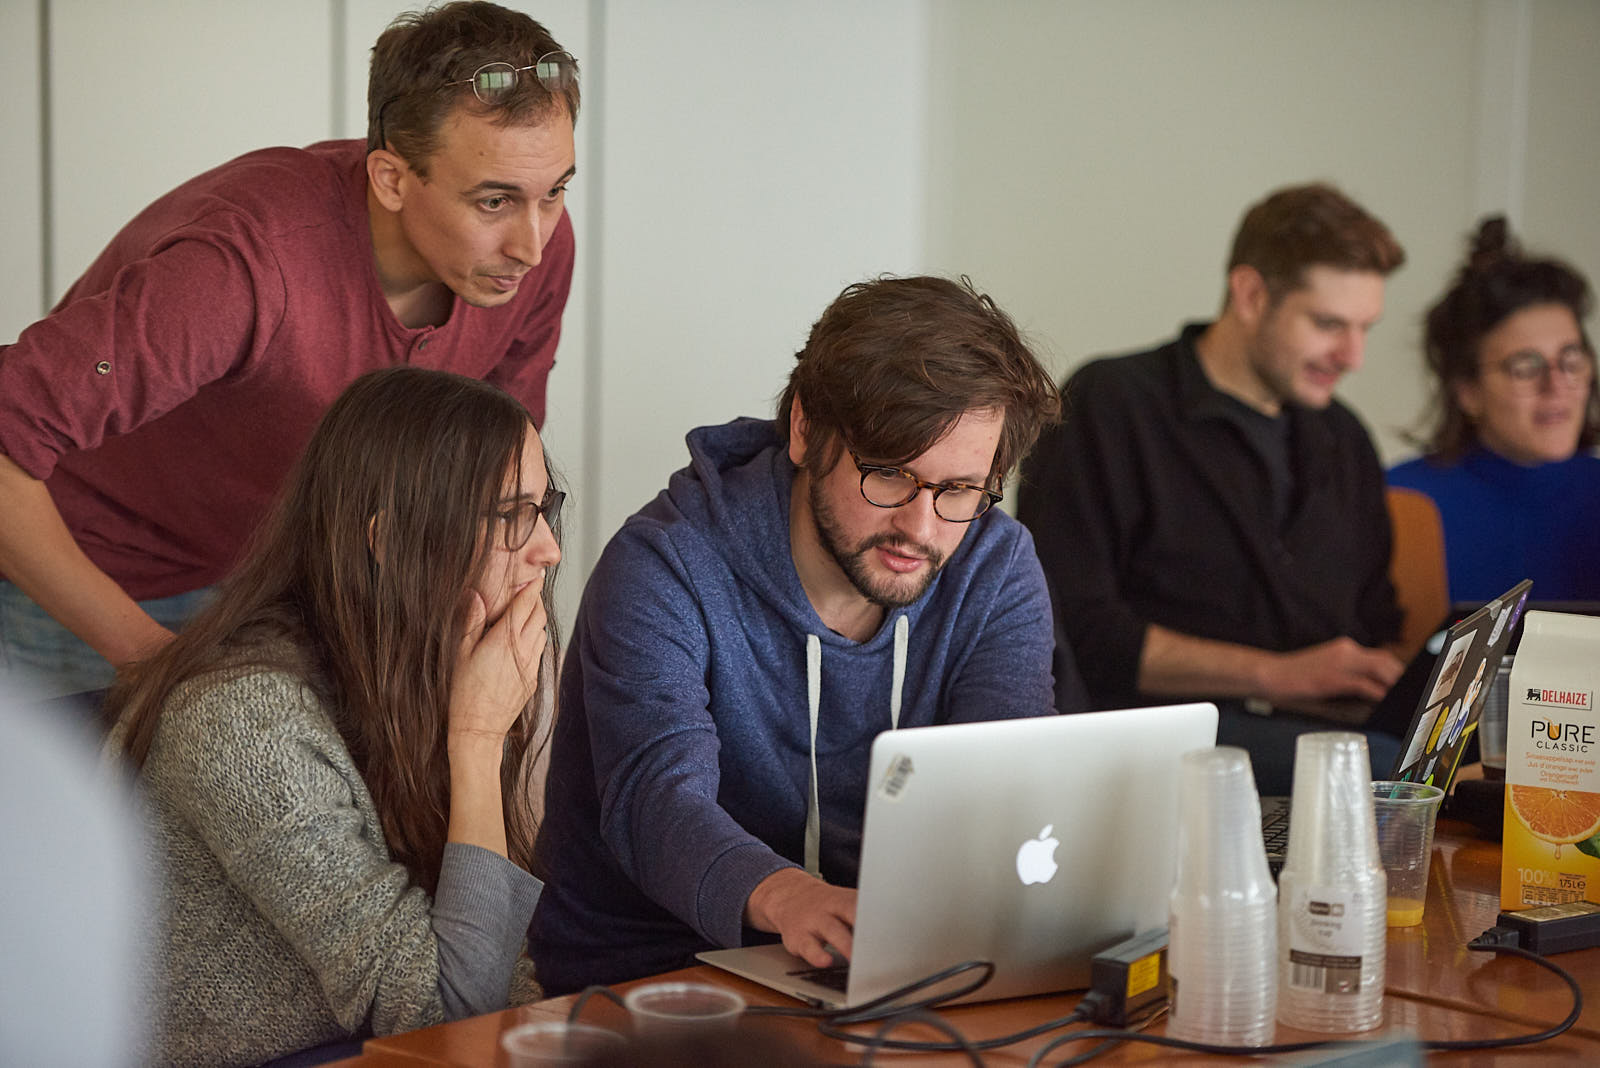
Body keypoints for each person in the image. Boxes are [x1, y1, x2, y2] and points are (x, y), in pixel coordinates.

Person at [0, 1, 579, 698]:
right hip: (82, 581)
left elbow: (492, 476)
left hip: (273, 588)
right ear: (391, 179)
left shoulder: (535, 247)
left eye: (554, 194)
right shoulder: (244, 267)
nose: (532, 244)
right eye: (494, 202)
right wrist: (160, 666)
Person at [530, 275, 1067, 993]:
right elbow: (656, 803)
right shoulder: (665, 565)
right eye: (890, 475)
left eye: (958, 490)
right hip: (648, 979)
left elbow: (1005, 786)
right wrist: (791, 898)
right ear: (807, 429)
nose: (922, 527)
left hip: (880, 969)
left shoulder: (994, 567)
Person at [104, 367, 563, 1067]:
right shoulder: (243, 724)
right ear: (392, 540)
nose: (549, 549)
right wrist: (477, 739)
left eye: (543, 506)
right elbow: (451, 1009)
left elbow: (502, 968)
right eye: (511, 516)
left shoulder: (435, 662)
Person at [1017, 183, 1408, 794]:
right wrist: (1277, 675)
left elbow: (1377, 616)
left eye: (1365, 328)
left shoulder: (1344, 438)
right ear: (1251, 294)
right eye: (1329, 324)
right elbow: (1070, 630)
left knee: (1441, 768)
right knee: (1385, 774)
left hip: (1323, 731)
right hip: (1152, 736)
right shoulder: (1112, 405)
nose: (1352, 356)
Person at [1388, 216, 1600, 603]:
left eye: (1571, 360)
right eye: (1525, 368)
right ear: (1468, 391)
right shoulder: (1402, 503)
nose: (1556, 387)